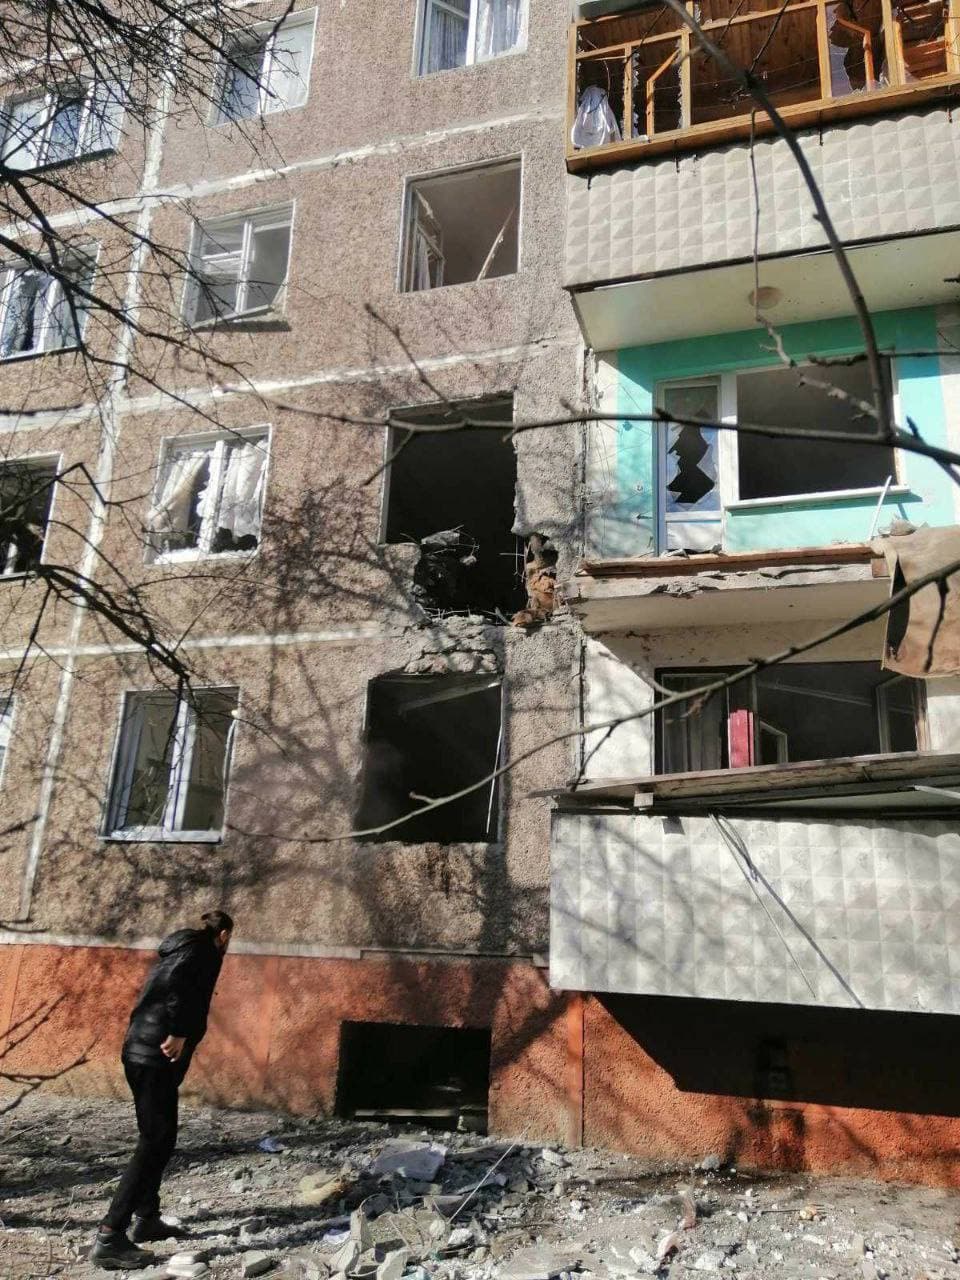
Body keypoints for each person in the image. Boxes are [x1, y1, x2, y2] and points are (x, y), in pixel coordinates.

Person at [90, 910, 234, 1271]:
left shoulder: (179, 949)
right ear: (224, 935)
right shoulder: (202, 951)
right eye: (229, 941)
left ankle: (147, 1217)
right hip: (156, 1055)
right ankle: (110, 1236)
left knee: (157, 1137)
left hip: (140, 1050)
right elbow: (180, 987)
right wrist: (179, 1031)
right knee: (156, 1140)